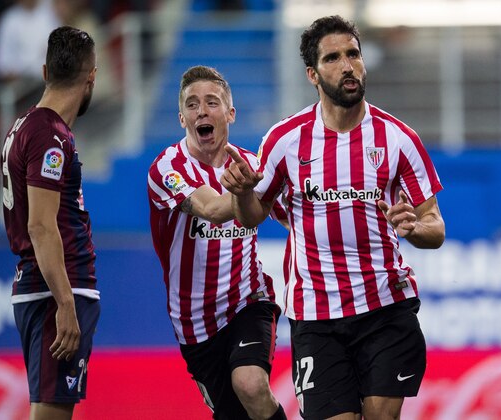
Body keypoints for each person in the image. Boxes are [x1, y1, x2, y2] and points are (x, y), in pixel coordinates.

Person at [221, 15, 445, 420]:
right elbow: (252, 215)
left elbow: (435, 226)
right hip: (317, 316)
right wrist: (240, 194)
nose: (348, 65)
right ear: (312, 73)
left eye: (353, 54)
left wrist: (414, 228)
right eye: (333, 58)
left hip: (385, 309)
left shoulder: (399, 139)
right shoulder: (285, 140)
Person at [147, 65, 287, 420]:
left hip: (248, 300)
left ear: (230, 113)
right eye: (192, 105)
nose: (202, 111)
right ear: (182, 118)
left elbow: (294, 216)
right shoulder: (167, 168)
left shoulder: (253, 166)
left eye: (212, 102)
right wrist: (246, 195)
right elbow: (209, 208)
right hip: (194, 322)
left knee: (252, 384)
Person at [0, 26, 100, 420]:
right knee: (50, 412)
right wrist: (65, 302)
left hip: (40, 286)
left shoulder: (24, 126)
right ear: (92, 76)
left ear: (45, 72)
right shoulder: (49, 136)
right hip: (54, 288)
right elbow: (40, 226)